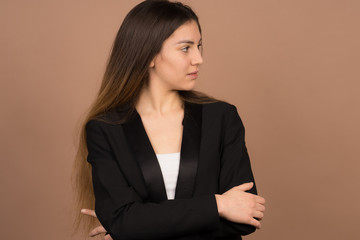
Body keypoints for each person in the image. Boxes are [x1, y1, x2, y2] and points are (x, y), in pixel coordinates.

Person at [72, 0, 265, 239]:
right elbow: (122, 220)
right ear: (149, 55)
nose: (198, 58)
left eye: (199, 46)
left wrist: (139, 229)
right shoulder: (105, 129)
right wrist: (218, 205)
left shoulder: (222, 117)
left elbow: (246, 218)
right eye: (186, 48)